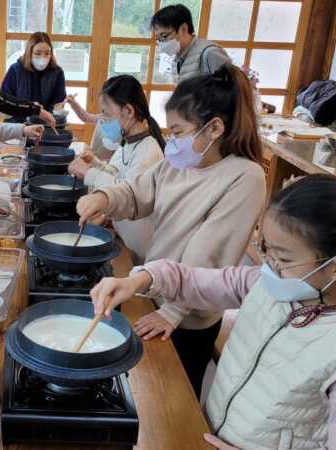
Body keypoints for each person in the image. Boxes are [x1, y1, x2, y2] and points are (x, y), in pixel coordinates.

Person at [90, 174, 336, 450]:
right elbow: (196, 280)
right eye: (266, 251)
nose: (269, 266)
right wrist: (140, 280)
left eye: (283, 259)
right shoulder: (268, 284)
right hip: (211, 431)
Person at [76, 64, 267, 398]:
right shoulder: (178, 164)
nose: (172, 141)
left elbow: (209, 254)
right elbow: (136, 193)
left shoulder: (245, 177)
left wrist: (173, 311)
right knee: (147, 388)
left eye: (178, 132)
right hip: (152, 288)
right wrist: (104, 198)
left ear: (215, 128)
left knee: (176, 399)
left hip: (189, 315)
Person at [67, 75, 164, 264]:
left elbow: (127, 192)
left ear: (128, 110)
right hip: (125, 241)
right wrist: (95, 163)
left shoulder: (149, 151)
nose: (103, 121)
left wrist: (89, 173)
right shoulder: (127, 143)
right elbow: (116, 173)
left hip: (143, 254)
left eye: (106, 114)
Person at [151, 4, 231, 83]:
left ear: (183, 29)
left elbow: (233, 89)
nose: (161, 43)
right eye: (158, 38)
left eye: (164, 36)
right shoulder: (177, 57)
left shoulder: (210, 53)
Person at [1, 32, 67, 123]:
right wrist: (28, 108)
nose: (42, 58)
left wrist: (55, 110)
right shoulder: (15, 70)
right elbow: (5, 100)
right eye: (38, 53)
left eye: (47, 53)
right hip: (18, 126)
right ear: (29, 52)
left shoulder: (57, 72)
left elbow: (58, 102)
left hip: (46, 125)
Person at [64, 94, 119, 161]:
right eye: (101, 105)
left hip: (111, 161)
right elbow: (85, 117)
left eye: (105, 104)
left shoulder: (121, 121)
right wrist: (74, 104)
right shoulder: (101, 117)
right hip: (94, 157)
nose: (102, 108)